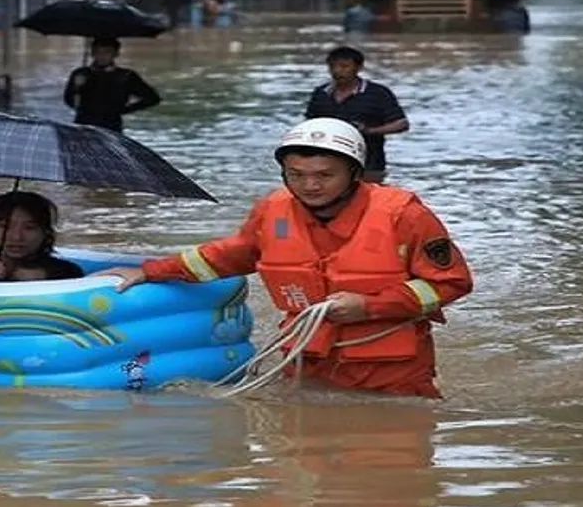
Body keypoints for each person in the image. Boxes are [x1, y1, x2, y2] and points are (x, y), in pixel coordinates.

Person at [94, 118, 474, 399]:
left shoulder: (404, 215)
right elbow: (226, 256)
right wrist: (150, 271)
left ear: (354, 173)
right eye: (297, 174)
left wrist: (369, 307)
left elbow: (451, 282)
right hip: (304, 362)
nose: (310, 186)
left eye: (325, 175)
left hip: (391, 374)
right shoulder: (272, 210)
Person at [304, 46, 409, 182]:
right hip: (326, 163)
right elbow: (310, 124)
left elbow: (401, 124)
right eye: (333, 66)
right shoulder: (321, 93)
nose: (337, 71)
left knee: (368, 199)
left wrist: (369, 130)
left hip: (368, 164)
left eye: (344, 66)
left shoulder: (377, 93)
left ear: (358, 68)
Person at [0, 191, 85, 282]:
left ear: (45, 232)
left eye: (29, 228)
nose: (16, 237)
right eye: (5, 227)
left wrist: (40, 284)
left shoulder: (68, 273)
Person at [63, 37, 162, 133]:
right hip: (84, 125)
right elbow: (70, 101)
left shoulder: (126, 76)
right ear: (92, 53)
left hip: (111, 126)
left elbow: (152, 98)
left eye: (107, 52)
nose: (102, 56)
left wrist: (123, 110)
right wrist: (76, 88)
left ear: (116, 54)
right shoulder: (81, 74)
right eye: (98, 52)